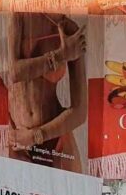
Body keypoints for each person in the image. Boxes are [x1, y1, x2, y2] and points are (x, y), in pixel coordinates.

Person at [7, 13, 87, 172]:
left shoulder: (70, 29)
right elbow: (14, 73)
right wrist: (60, 55)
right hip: (17, 138)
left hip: (54, 137)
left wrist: (35, 136)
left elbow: (80, 112)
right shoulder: (20, 16)